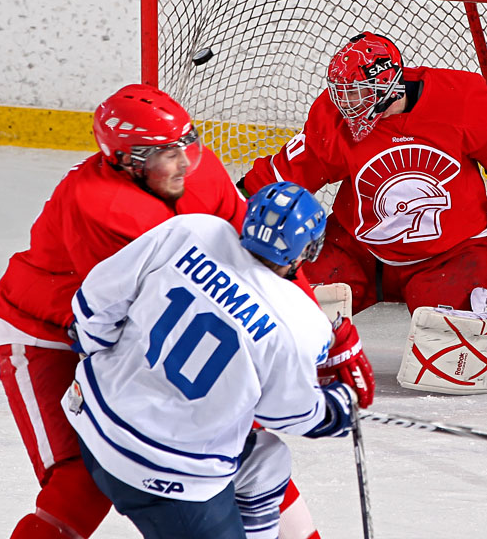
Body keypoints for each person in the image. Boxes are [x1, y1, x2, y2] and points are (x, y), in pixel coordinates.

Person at [0, 85, 334, 539]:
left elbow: (266, 262)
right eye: (162, 155)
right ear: (127, 161)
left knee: (242, 451)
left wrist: (312, 338)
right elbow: (133, 314)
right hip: (47, 332)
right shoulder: (100, 206)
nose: (182, 163)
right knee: (85, 474)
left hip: (127, 325)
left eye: (185, 145)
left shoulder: (203, 173)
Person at [62, 182, 358, 539]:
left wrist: (113, 370)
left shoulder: (193, 229)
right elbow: (287, 414)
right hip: (168, 477)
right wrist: (335, 410)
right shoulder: (300, 321)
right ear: (305, 252)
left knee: (266, 462)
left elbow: (94, 306)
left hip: (90, 422)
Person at [240, 32, 487, 315]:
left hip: (451, 253)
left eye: (356, 93)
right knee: (285, 305)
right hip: (356, 246)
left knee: (460, 339)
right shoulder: (335, 115)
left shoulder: (460, 99)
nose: (345, 102)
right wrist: (231, 206)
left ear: (387, 86)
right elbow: (292, 171)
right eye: (342, 91)